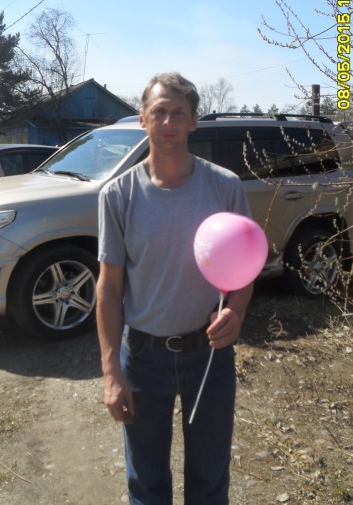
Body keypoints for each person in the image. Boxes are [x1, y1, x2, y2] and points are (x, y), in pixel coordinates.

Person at [97, 72, 254, 505]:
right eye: (159, 111)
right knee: (146, 482)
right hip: (143, 357)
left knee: (209, 478)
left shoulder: (225, 186)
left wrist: (236, 311)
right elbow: (108, 289)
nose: (168, 122)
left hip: (210, 354)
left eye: (178, 113)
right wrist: (111, 372)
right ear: (142, 117)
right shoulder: (118, 195)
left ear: (193, 121)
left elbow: (245, 267)